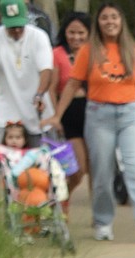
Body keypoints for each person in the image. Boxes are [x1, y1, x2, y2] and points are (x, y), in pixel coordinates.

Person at [43, 2, 135, 244]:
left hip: (129, 114)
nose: (110, 21)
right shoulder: (89, 50)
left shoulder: (132, 50)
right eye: (105, 17)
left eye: (114, 17)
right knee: (102, 173)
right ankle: (103, 221)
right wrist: (57, 115)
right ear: (98, 22)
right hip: (99, 114)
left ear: (121, 21)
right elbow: (73, 84)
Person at [0, 0, 52, 144]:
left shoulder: (39, 36)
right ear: (2, 21)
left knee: (38, 159)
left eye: (19, 25)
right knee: (8, 160)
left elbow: (46, 70)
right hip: (6, 109)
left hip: (35, 107)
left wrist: (40, 94)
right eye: (12, 26)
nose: (17, 30)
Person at [50, 10, 89, 206]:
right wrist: (56, 115)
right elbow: (52, 87)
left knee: (97, 169)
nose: (76, 37)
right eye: (71, 32)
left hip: (93, 111)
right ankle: (60, 199)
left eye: (81, 33)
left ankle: (99, 215)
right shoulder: (57, 54)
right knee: (78, 168)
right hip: (69, 113)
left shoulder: (93, 52)